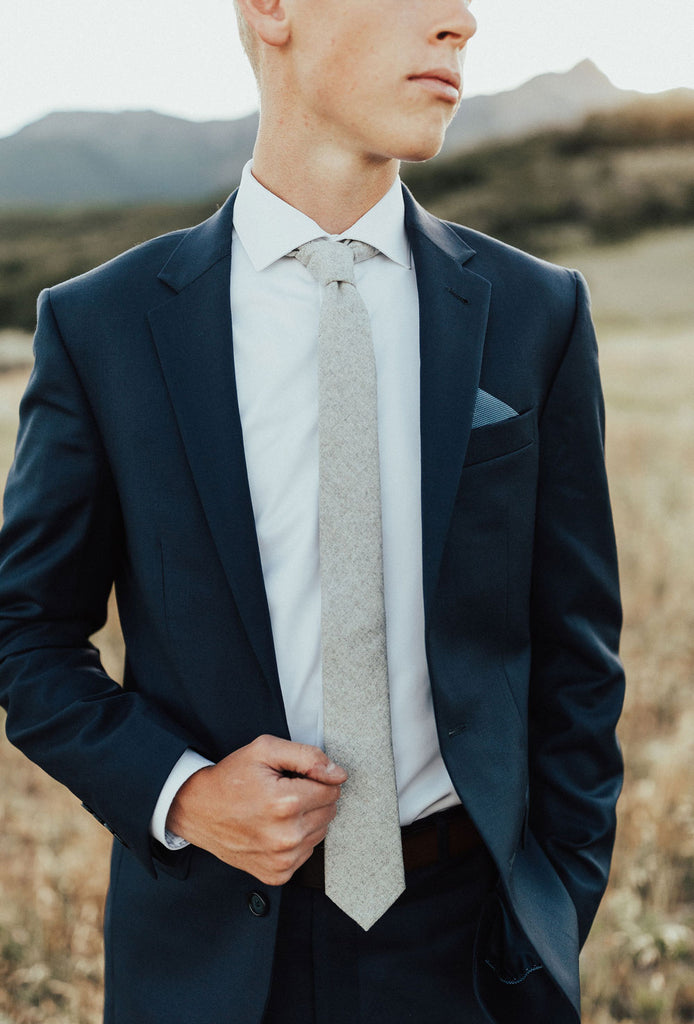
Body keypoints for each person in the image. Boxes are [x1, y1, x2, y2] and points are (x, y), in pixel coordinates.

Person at [0, 0, 625, 1021]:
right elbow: (25, 631)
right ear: (273, 8)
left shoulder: (534, 311)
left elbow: (576, 650)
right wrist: (182, 791)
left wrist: (552, 904)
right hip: (206, 954)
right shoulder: (103, 325)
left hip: (465, 950)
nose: (462, 21)